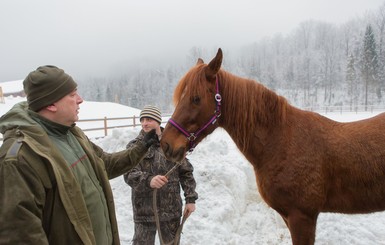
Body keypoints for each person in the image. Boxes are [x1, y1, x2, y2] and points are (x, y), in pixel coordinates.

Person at [0, 65, 159, 245]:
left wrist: (141, 147)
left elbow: (105, 165)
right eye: (72, 95)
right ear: (51, 104)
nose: (80, 100)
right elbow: (20, 236)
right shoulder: (20, 157)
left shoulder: (72, 134)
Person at [123, 105, 198, 245]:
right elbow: (129, 174)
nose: (145, 123)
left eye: (149, 119)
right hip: (143, 212)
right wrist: (148, 180)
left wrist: (191, 198)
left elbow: (186, 172)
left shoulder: (173, 144)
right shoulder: (134, 146)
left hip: (171, 211)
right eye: (143, 119)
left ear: (158, 121)